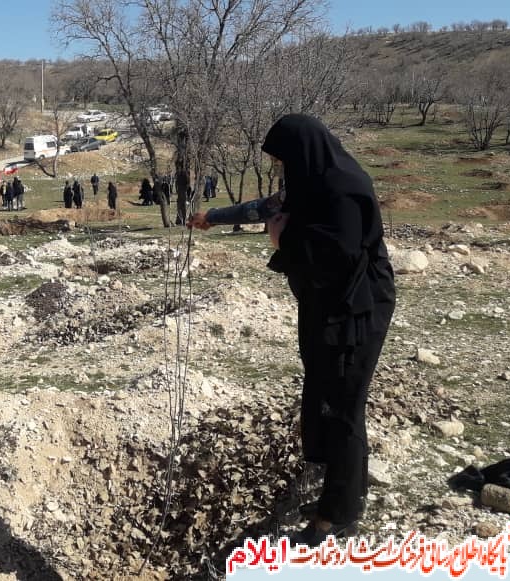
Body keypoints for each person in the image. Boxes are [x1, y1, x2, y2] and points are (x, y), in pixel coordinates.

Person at [189, 114, 396, 546]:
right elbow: (270, 207)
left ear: (305, 153)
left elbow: (336, 257)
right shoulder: (313, 181)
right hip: (327, 308)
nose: (282, 170)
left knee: (344, 407)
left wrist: (282, 242)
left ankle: (336, 516)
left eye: (284, 161)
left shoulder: (343, 189)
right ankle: (342, 492)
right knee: (325, 394)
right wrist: (214, 216)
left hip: (356, 311)